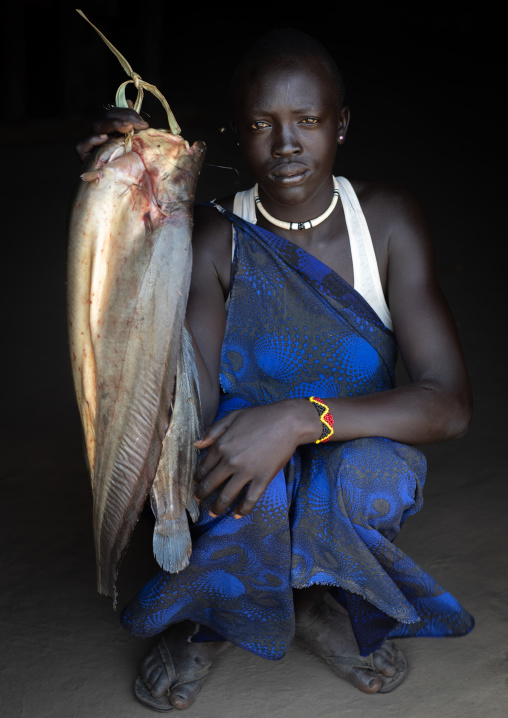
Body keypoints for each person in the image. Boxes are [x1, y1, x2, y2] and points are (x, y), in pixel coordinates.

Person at [77, 29, 474, 712]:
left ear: (340, 125)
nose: (286, 144)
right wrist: (120, 202)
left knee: (368, 478)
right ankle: (209, 617)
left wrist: (298, 419)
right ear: (237, 134)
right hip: (244, 459)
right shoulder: (216, 237)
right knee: (228, 465)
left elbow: (449, 403)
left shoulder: (385, 222)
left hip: (350, 446)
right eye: (262, 125)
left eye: (308, 121)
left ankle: (323, 600)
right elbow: (189, 392)